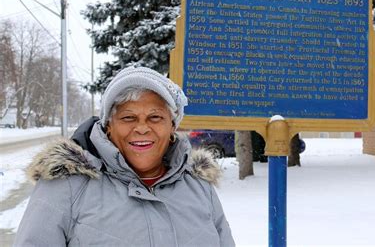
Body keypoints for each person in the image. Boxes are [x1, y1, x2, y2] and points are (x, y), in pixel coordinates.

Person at [14, 66, 235, 246]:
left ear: (172, 127)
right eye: (128, 118)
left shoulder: (199, 187)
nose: (142, 128)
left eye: (155, 117)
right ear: (108, 127)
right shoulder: (67, 185)